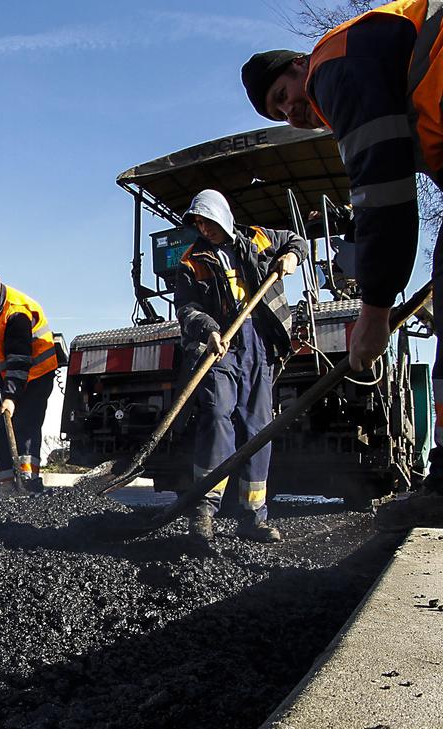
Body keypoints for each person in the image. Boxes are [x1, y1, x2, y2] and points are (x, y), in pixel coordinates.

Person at [242, 0, 443, 531]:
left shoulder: (335, 65)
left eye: (283, 96)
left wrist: (374, 310)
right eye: (279, 112)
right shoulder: (362, 66)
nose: (291, 111)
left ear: (299, 66)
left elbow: (383, 192)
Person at [175, 189, 307, 542]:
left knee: (258, 428)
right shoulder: (192, 262)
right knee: (217, 417)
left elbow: (297, 240)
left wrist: (292, 257)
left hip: (259, 343)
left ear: (223, 215)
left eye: (208, 220)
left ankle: (254, 516)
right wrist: (210, 330)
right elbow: (186, 309)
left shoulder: (258, 238)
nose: (204, 228)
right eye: (198, 223)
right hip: (220, 346)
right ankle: (204, 510)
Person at [0, 263, 58, 495]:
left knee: (24, 430)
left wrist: (10, 395)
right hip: (15, 380)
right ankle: (8, 492)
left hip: (34, 376)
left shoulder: (15, 310)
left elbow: (19, 357)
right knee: (2, 437)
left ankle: (27, 487)